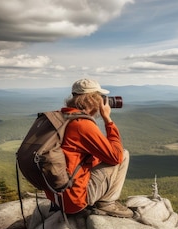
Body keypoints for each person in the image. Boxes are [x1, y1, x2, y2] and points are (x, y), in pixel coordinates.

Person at [46, 78, 133, 218]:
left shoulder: (61, 118)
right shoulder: (82, 124)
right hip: (74, 200)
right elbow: (116, 156)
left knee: (101, 156)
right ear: (92, 99)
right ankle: (107, 203)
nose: (103, 101)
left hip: (57, 197)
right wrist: (108, 120)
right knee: (123, 154)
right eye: (100, 97)